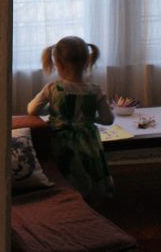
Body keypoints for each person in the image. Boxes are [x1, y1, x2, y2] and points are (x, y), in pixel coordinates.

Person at [27, 35, 115, 199]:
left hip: (60, 143)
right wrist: (89, 116)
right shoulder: (96, 90)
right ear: (88, 61)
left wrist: (51, 108)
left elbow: (32, 110)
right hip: (88, 141)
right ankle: (91, 202)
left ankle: (66, 200)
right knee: (88, 171)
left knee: (64, 174)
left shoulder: (52, 88)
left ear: (57, 64)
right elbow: (108, 120)